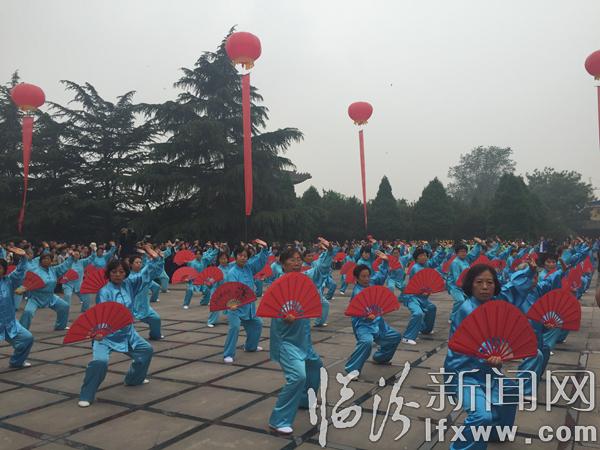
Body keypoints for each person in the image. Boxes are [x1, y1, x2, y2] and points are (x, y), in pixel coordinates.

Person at [443, 264, 518, 450]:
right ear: (471, 285)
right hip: (464, 373)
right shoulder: (467, 309)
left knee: (510, 391)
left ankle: (496, 432)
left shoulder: (494, 306)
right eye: (479, 282)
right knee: (481, 416)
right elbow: (474, 345)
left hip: (488, 371)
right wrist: (491, 358)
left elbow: (513, 290)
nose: (485, 287)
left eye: (489, 282)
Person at [78, 245, 163, 407]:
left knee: (146, 350)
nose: (118, 275)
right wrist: (99, 332)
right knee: (100, 362)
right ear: (109, 274)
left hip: (127, 333)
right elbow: (102, 313)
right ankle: (87, 394)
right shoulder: (104, 291)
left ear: (126, 273)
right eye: (114, 272)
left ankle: (133, 379)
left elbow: (147, 274)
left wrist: (155, 258)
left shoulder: (130, 284)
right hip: (106, 334)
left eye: (121, 272)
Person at [268, 238, 332, 435]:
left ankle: (304, 400)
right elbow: (273, 308)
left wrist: (329, 252)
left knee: (316, 366)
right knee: (298, 376)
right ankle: (278, 420)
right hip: (286, 340)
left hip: (304, 339)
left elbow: (320, 269)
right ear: (282, 263)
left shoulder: (306, 278)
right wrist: (284, 317)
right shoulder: (278, 285)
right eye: (292, 260)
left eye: (298, 259)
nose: (297, 263)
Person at [344, 255, 402, 375]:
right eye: (363, 276)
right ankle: (352, 369)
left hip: (379, 324)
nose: (366, 279)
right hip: (363, 325)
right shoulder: (357, 292)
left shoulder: (371, 283)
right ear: (356, 278)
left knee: (395, 336)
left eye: (368, 276)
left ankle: (381, 357)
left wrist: (385, 262)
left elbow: (380, 276)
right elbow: (355, 311)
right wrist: (365, 316)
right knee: (366, 342)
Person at [222, 240, 268, 363]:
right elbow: (231, 290)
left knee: (257, 323)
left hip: (248, 307)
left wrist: (264, 249)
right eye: (240, 255)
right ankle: (228, 354)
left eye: (245, 256)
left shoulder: (249, 268)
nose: (243, 258)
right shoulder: (232, 272)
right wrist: (231, 303)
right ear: (235, 256)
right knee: (235, 327)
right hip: (235, 307)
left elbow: (260, 262)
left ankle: (250, 347)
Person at [18, 252, 74, 331]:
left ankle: (60, 326)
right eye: (44, 259)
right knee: (28, 312)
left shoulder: (53, 270)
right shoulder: (34, 270)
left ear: (51, 261)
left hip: (50, 297)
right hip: (35, 297)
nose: (46, 260)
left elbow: (64, 266)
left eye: (48, 259)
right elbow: (25, 274)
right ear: (40, 260)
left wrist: (71, 258)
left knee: (64, 306)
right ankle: (22, 330)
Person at [0, 247, 34, 368]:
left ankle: (17, 362)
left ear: (4, 270)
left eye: (0, 267)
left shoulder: (8, 281)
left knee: (27, 338)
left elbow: (20, 271)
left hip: (9, 322)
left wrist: (23, 257)